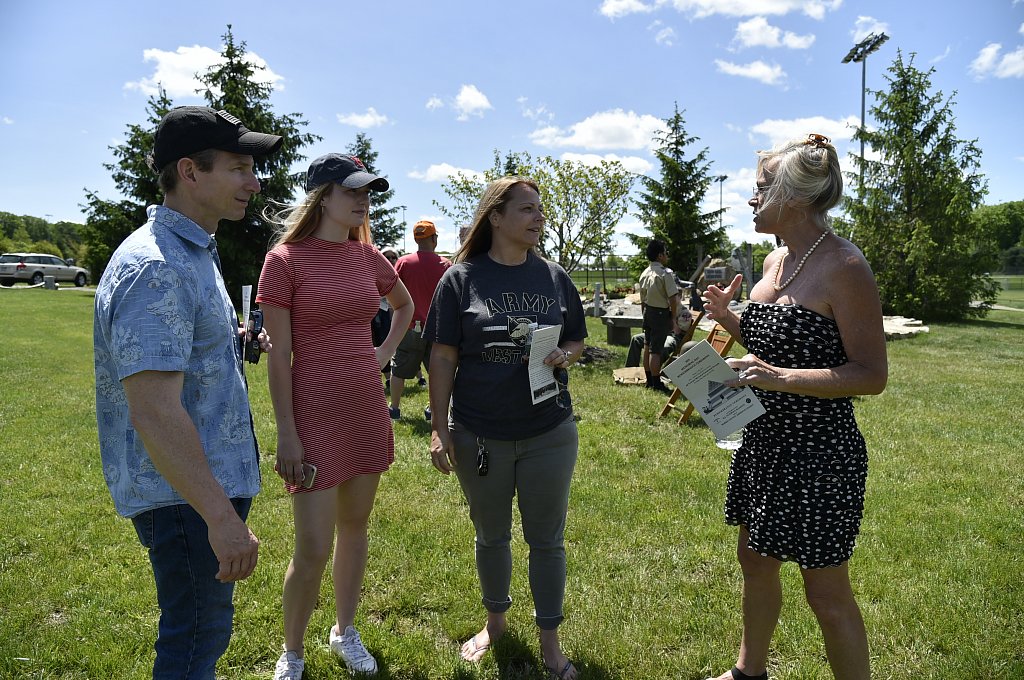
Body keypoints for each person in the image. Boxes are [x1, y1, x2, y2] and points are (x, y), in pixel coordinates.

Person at [93, 105, 282, 679]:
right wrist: (220, 519)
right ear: (190, 172)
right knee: (194, 637)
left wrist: (235, 339)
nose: (254, 183)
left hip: (197, 488)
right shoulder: (157, 266)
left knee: (201, 632)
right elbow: (153, 410)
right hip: (185, 499)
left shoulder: (192, 250)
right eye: (240, 167)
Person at [702, 133, 888, 680]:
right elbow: (779, 342)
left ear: (797, 198)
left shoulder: (844, 266)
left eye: (761, 188)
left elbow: (871, 375)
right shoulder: (773, 260)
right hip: (762, 442)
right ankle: (747, 672)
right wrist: (731, 318)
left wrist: (777, 377)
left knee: (826, 592)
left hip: (819, 453)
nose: (751, 198)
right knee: (754, 563)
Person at [256, 153, 414, 680]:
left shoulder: (366, 256)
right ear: (323, 195)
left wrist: (384, 354)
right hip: (314, 413)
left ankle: (345, 631)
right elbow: (278, 353)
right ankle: (292, 652)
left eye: (367, 191)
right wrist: (287, 434)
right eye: (353, 190)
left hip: (365, 407)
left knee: (355, 526)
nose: (363, 199)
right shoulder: (285, 260)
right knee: (312, 546)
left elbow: (405, 306)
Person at [425, 177, 587, 680]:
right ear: (495, 217)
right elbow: (443, 355)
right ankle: (495, 622)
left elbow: (578, 339)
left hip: (549, 430)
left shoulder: (556, 277)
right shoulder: (460, 279)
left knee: (547, 541)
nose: (538, 218)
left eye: (540, 209)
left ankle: (550, 641)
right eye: (526, 210)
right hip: (480, 435)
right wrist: (439, 427)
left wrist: (566, 354)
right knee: (491, 537)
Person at [388, 220, 451, 420]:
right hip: (437, 328)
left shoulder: (404, 262)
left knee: (399, 368)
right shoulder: (445, 264)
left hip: (410, 326)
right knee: (437, 372)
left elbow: (392, 295)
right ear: (434, 239)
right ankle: (433, 411)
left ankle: (395, 409)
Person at [638, 239, 682, 393]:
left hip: (648, 311)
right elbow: (672, 299)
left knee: (647, 346)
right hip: (660, 313)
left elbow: (642, 299)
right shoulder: (665, 274)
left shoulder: (645, 273)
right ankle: (657, 383)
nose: (667, 255)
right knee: (656, 350)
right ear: (660, 255)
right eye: (665, 252)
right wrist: (673, 317)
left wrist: (644, 314)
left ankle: (649, 379)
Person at [625, 303, 693, 368]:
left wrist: (673, 322)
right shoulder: (664, 307)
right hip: (661, 333)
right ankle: (630, 370)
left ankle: (653, 371)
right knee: (636, 339)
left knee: (664, 347)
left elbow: (681, 329)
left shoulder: (684, 312)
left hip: (673, 337)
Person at [374, 248, 400, 391]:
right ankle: (386, 378)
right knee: (379, 342)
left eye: (393, 257)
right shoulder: (373, 272)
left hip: (394, 315)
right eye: (386, 257)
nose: (390, 260)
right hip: (378, 315)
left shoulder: (401, 274)